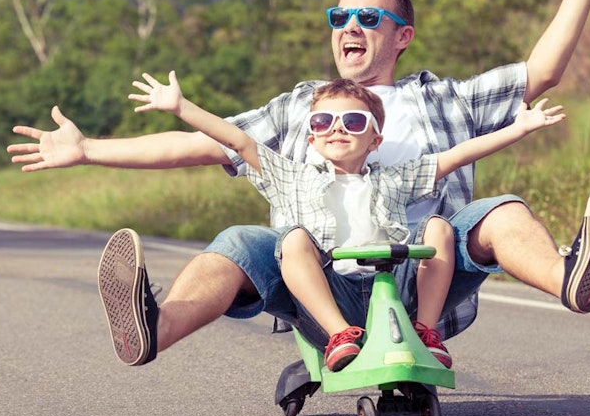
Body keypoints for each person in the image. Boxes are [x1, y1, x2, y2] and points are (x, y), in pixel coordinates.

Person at [8, 0, 590, 370]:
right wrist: (89, 149)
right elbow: (208, 144)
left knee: (500, 211)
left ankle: (570, 278)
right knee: (239, 242)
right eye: (340, 16)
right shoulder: (301, 108)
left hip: (425, 275)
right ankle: (151, 327)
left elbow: (541, 72)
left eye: (370, 16)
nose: (350, 25)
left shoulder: (442, 98)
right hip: (320, 279)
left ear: (402, 36)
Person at [126, 73, 565, 370]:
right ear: (312, 136)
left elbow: (456, 156)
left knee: (438, 227)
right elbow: (237, 140)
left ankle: (427, 331)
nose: (338, 128)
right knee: (294, 239)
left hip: (394, 291)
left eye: (353, 121)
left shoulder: (394, 179)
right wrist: (181, 107)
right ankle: (340, 338)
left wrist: (518, 129)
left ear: (375, 139)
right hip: (329, 298)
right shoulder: (291, 177)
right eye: (324, 121)